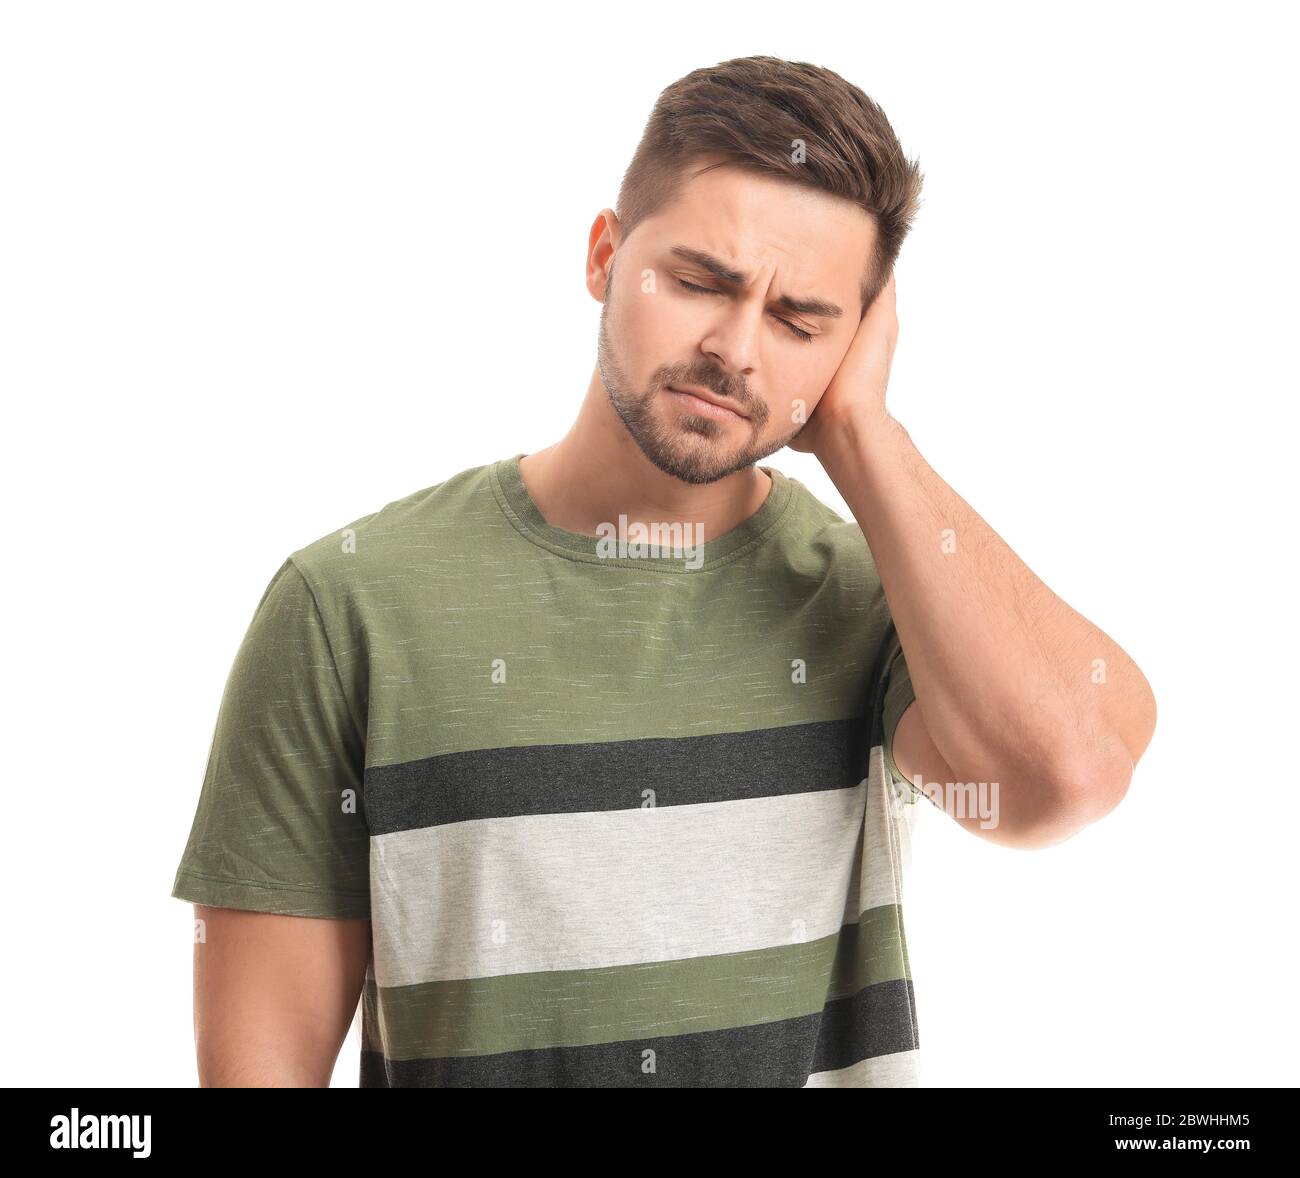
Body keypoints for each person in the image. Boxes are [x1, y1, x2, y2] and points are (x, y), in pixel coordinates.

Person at [172, 54, 1156, 1088]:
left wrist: (866, 429)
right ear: (604, 254)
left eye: (798, 320)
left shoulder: (878, 600)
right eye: (698, 282)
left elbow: (1066, 775)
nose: (734, 348)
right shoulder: (349, 606)